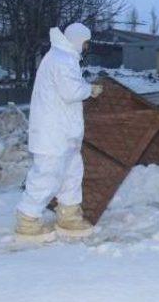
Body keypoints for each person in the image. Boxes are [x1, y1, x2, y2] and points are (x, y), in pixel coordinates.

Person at [16, 23, 104, 242]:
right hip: (52, 134)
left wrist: (84, 86)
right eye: (85, 43)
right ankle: (27, 220)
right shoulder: (61, 59)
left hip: (64, 133)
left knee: (71, 174)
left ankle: (69, 215)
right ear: (77, 40)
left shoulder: (64, 58)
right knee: (47, 176)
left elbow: (69, 87)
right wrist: (89, 89)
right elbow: (71, 91)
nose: (85, 48)